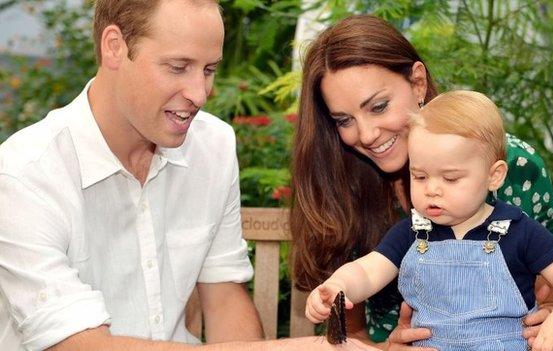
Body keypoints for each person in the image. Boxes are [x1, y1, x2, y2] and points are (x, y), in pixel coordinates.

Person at [0, 1, 378, 350]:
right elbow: (75, 344)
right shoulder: (24, 174)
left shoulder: (212, 145)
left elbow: (224, 295)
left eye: (209, 69)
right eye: (178, 67)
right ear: (114, 46)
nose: (200, 93)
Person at [290, 14, 553, 349]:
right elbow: (351, 330)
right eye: (344, 120)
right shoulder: (342, 181)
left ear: (417, 83)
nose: (366, 134)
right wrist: (386, 348)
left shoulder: (511, 164)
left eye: (378, 106)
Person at [305, 90, 553, 351]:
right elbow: (367, 272)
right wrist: (338, 286)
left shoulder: (516, 230)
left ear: (494, 176)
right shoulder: (413, 232)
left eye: (451, 178)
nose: (432, 189)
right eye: (419, 176)